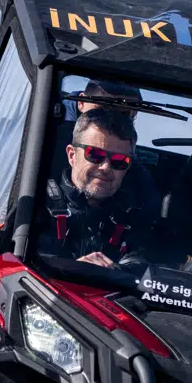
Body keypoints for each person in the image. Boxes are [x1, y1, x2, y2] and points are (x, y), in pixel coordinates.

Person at [35, 108, 155, 267]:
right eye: (95, 155)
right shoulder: (35, 204)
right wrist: (74, 270)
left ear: (128, 167)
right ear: (72, 156)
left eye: (119, 160)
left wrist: (119, 271)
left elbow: (145, 263)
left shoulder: (135, 214)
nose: (105, 167)